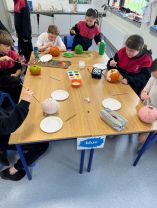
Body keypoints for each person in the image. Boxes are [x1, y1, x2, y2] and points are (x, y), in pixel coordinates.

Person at [0, 88, 49, 181]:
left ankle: (2, 151)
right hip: (6, 133)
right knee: (42, 143)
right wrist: (24, 102)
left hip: (5, 123)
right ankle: (12, 171)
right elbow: (7, 126)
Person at [138, 59, 157, 144]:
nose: (155, 78)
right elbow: (145, 90)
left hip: (155, 115)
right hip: (147, 106)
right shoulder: (153, 76)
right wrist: (143, 94)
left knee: (142, 139)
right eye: (154, 76)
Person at [0, 30, 22, 103]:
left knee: (18, 83)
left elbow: (19, 68)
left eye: (9, 46)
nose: (9, 48)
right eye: (6, 46)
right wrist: (1, 59)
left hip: (10, 78)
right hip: (2, 80)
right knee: (17, 82)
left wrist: (16, 74)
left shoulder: (12, 54)